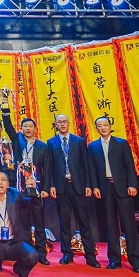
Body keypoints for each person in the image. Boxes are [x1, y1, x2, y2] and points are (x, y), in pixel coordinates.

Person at [88, 116, 139, 273]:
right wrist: (94, 187)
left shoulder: (121, 143)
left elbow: (129, 166)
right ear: (96, 128)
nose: (103, 128)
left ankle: (136, 261)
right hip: (105, 188)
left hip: (122, 188)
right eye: (100, 126)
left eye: (105, 125)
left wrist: (132, 185)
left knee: (129, 225)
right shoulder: (93, 146)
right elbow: (92, 169)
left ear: (110, 126)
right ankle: (114, 260)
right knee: (110, 225)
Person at [45, 114, 99, 268]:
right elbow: (49, 167)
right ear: (56, 125)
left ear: (69, 123)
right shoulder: (51, 142)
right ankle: (67, 254)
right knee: (64, 222)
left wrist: (88, 184)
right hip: (61, 186)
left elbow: (86, 164)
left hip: (79, 186)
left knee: (84, 222)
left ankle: (90, 256)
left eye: (64, 122)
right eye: (59, 122)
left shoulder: (79, 141)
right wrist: (51, 185)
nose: (62, 124)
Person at [2, 111, 52, 266]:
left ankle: (42, 253)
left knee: (39, 222)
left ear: (35, 129)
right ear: (21, 129)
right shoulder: (17, 141)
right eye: (25, 126)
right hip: (21, 188)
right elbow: (8, 127)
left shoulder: (43, 146)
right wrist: (5, 110)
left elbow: (47, 169)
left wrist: (45, 188)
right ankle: (27, 251)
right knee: (23, 222)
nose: (28, 129)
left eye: (30, 126)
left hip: (36, 189)